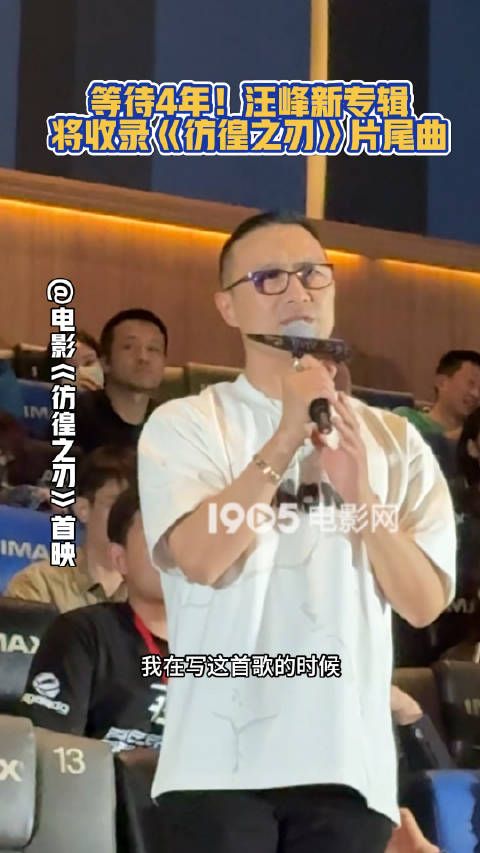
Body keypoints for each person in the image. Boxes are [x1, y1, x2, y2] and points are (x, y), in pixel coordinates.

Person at [138, 210, 456, 853]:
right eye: (270, 278)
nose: (297, 292)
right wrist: (285, 437)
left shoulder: (395, 441)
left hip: (348, 766)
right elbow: (200, 558)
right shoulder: (186, 423)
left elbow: (424, 603)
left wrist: (362, 496)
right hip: (216, 763)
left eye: (313, 274)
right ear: (228, 307)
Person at [19, 486, 168, 753]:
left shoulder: (230, 644)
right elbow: (50, 755)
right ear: (120, 559)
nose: (175, 553)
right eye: (157, 537)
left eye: (187, 538)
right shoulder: (81, 634)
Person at [4, 446, 134, 610]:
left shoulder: (156, 589)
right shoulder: (39, 586)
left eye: (138, 509)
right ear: (83, 509)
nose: (129, 518)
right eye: (117, 506)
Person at [75, 309, 167, 453]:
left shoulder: (172, 421)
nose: (143, 357)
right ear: (105, 362)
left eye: (153, 349)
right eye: (129, 347)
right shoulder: (77, 416)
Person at [395, 350, 480, 441]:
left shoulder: (476, 435)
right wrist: (451, 438)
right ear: (442, 383)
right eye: (470, 384)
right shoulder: (406, 417)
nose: (476, 394)